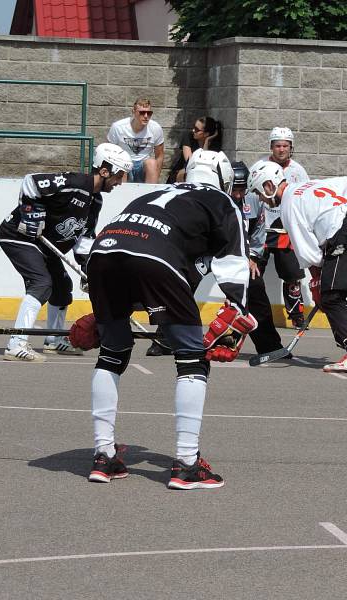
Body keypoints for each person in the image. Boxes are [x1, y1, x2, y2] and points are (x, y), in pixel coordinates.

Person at [73, 150, 256, 489]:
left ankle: (104, 456)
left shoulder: (159, 191)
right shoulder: (221, 201)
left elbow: (128, 255)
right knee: (192, 360)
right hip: (155, 257)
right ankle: (187, 464)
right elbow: (233, 262)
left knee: (112, 351)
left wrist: (106, 317)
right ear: (224, 179)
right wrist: (238, 309)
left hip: (104, 253)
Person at [0, 143, 132, 362]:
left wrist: (90, 269)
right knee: (41, 284)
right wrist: (32, 213)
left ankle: (54, 340)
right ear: (105, 171)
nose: (120, 182)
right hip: (19, 237)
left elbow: (85, 238)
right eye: (120, 175)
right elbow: (31, 182)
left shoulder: (95, 201)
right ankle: (16, 343)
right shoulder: (73, 183)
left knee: (62, 287)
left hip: (46, 247)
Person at [248, 161, 347, 373]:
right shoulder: (311, 184)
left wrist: (318, 282)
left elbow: (309, 253)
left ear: (268, 185)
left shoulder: (288, 206)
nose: (260, 198)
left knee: (331, 296)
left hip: (346, 235)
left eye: (259, 192)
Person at [247, 127, 310, 329]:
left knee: (293, 277)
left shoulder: (298, 171)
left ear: (291, 148)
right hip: (262, 231)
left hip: (286, 230)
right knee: (252, 274)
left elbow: (304, 199)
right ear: (271, 147)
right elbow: (250, 195)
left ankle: (297, 316)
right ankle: (245, 310)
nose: (281, 149)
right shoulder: (259, 166)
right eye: (277, 145)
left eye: (285, 146)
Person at [232, 160, 289, 356]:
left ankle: (270, 346)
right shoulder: (217, 199)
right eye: (235, 189)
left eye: (242, 189)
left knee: (256, 292)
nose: (239, 195)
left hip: (244, 255)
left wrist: (253, 256)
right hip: (213, 251)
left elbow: (257, 231)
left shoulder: (254, 199)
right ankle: (167, 339)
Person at [107, 98, 164, 183]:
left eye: (149, 113)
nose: (146, 116)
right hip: (124, 165)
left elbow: (159, 155)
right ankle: (121, 192)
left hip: (143, 166)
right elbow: (109, 152)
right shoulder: (118, 127)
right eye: (142, 113)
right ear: (133, 111)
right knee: (121, 162)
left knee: (152, 163)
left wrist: (156, 176)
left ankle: (150, 192)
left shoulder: (155, 128)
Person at [166, 116, 222, 184]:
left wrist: (206, 142)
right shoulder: (188, 137)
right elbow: (191, 163)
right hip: (182, 173)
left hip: (202, 174)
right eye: (194, 127)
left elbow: (207, 163)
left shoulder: (214, 145)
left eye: (196, 129)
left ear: (206, 134)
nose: (193, 130)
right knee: (188, 172)